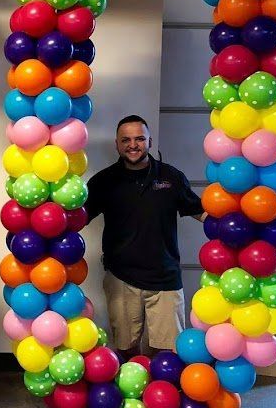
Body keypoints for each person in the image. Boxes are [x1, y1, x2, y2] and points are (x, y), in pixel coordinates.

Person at [85, 115, 205, 358]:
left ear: (150, 142)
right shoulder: (103, 182)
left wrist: (235, 224)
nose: (133, 145)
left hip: (166, 279)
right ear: (116, 145)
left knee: (169, 351)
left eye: (140, 138)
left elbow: (200, 212)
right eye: (126, 140)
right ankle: (132, 394)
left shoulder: (172, 178)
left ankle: (162, 395)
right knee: (126, 348)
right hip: (121, 278)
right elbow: (78, 218)